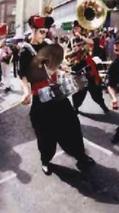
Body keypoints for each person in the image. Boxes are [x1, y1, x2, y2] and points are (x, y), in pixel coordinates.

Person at [18, 15, 95, 175]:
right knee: (45, 133)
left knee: (72, 125)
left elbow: (55, 67)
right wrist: (26, 92)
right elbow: (23, 75)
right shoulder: (25, 51)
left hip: (57, 94)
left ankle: (81, 157)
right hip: (41, 97)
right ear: (32, 29)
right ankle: (45, 160)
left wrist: (64, 71)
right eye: (41, 31)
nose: (44, 34)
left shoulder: (48, 45)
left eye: (45, 31)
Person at [69, 20, 109, 114]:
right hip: (78, 68)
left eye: (77, 27)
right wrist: (72, 54)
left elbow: (92, 43)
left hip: (90, 68)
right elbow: (68, 52)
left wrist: (81, 37)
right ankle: (76, 107)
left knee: (95, 90)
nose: (75, 29)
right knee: (79, 91)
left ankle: (102, 105)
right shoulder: (72, 40)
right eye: (74, 28)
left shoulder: (90, 37)